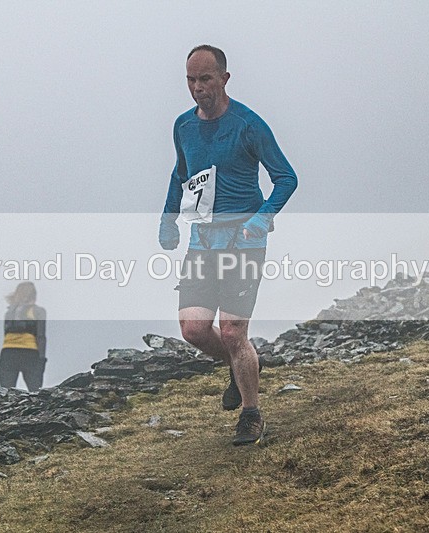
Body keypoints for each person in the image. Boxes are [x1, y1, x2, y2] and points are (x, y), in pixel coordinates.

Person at [159, 45, 298, 446]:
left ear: (224, 78)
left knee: (233, 332)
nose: (197, 88)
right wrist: (168, 221)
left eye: (205, 79)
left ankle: (251, 415)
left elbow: (286, 177)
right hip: (202, 241)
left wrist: (262, 218)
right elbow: (180, 173)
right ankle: (241, 368)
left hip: (244, 242)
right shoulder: (183, 126)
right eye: (190, 80)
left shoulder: (248, 125)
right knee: (194, 330)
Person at [0, 281, 47, 392]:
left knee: (5, 392)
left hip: (8, 353)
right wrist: (42, 359)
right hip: (30, 353)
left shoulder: (10, 312)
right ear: (34, 295)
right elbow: (41, 336)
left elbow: (6, 333)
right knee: (35, 392)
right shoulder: (38, 311)